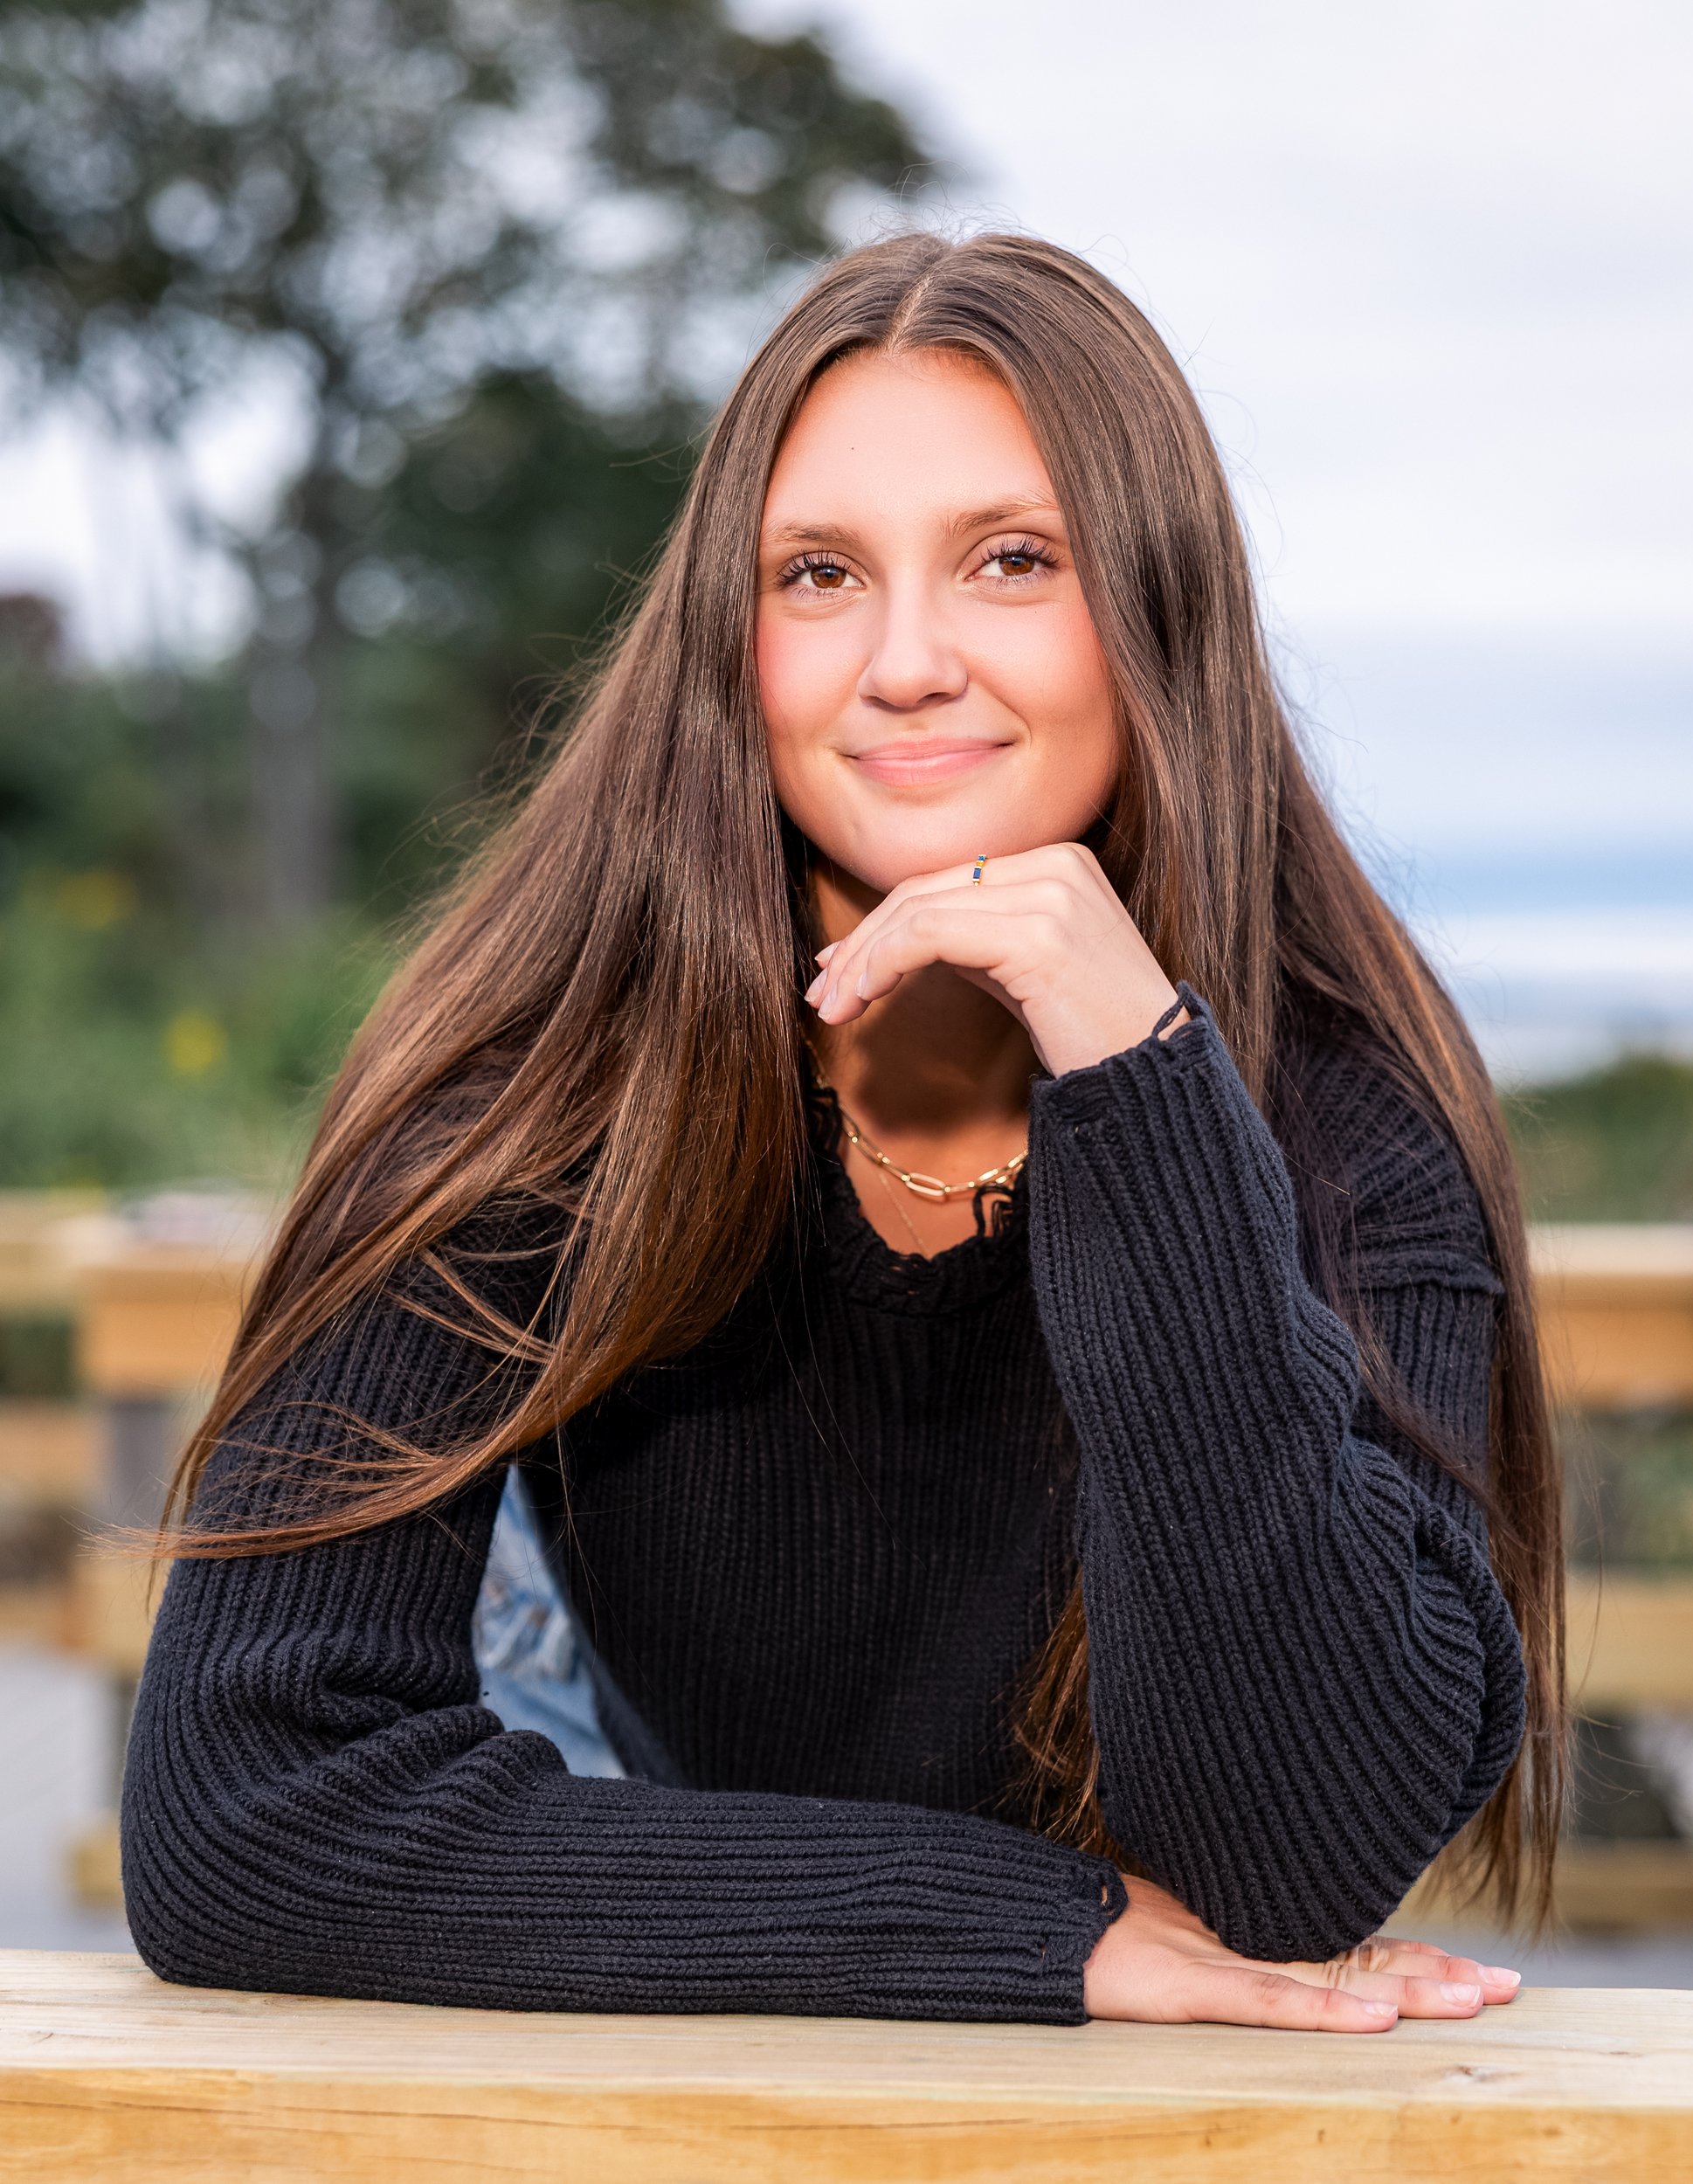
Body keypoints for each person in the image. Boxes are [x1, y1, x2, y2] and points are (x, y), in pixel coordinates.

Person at [122, 232, 1563, 2033]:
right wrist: (1030, 1929)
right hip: (627, 1810)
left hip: (1108, 1960)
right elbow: (240, 1821)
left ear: (1157, 610)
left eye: (1011, 562)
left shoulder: (1355, 1118)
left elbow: (1290, 1871)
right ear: (732, 642)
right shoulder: (529, 1076)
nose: (904, 662)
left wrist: (1139, 1078)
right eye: (816, 573)